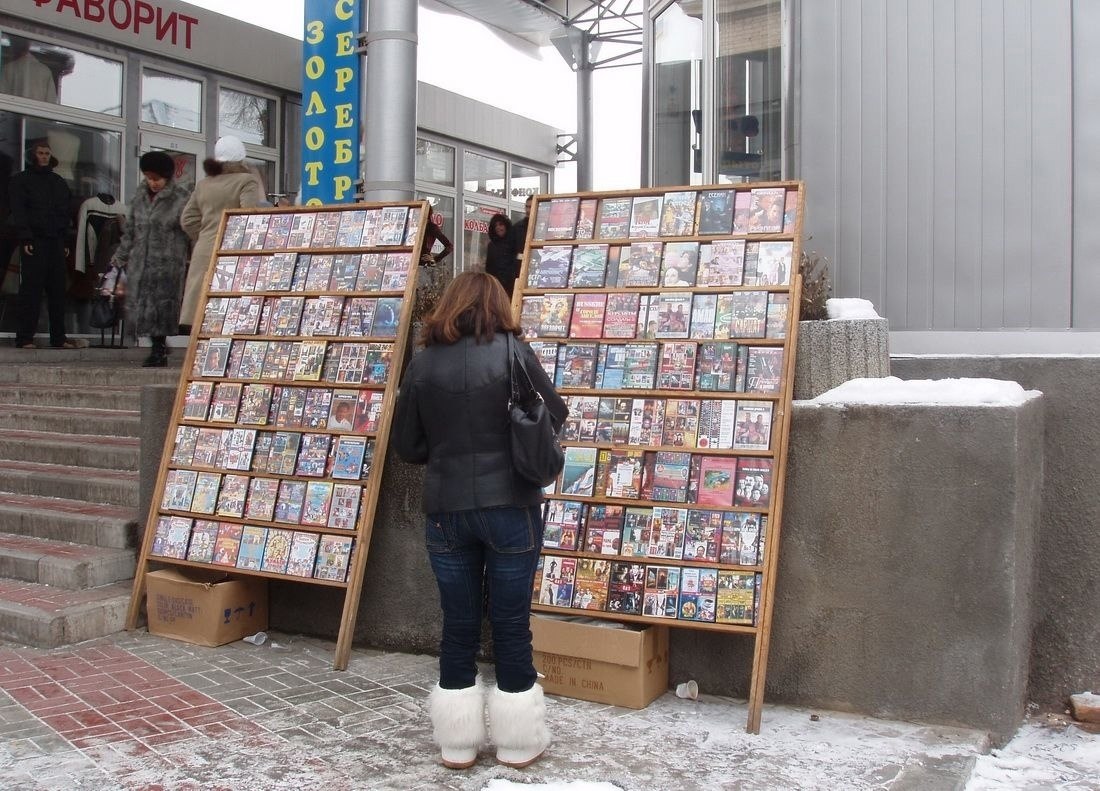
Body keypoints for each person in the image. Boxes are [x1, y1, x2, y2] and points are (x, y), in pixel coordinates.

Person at [393, 271, 567, 771]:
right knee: (512, 624)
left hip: (447, 512)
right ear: (498, 305)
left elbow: (409, 445)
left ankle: (457, 744)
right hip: (512, 506)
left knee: (459, 625)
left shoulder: (424, 364)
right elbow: (553, 411)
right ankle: (517, 743)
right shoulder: (513, 352)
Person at [112, 151, 191, 367]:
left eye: (157, 178)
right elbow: (130, 231)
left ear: (167, 177)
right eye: (148, 177)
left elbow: (191, 229)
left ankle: (160, 348)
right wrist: (119, 257)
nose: (153, 183)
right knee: (143, 309)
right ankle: (158, 345)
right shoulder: (139, 199)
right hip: (141, 262)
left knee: (164, 309)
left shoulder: (181, 199)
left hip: (169, 263)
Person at [179, 135, 263, 333]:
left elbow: (187, 219)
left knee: (201, 309)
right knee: (230, 308)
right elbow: (248, 215)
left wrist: (204, 237)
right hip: (234, 250)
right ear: (241, 158)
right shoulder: (246, 180)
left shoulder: (203, 184)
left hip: (205, 249)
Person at [8, 140, 79, 349]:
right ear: (33, 155)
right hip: (35, 240)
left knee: (58, 291)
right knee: (31, 290)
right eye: (41, 153)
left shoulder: (58, 182)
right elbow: (19, 211)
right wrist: (26, 237)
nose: (44, 156)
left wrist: (65, 239)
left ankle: (59, 337)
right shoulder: (21, 180)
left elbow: (65, 212)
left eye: (47, 153)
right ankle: (25, 338)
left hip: (55, 241)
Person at [484, 213, 516, 296]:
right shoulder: (492, 245)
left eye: (501, 225)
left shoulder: (514, 242)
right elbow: (489, 267)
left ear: (506, 226)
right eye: (496, 226)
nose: (498, 228)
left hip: (512, 285)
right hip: (496, 286)